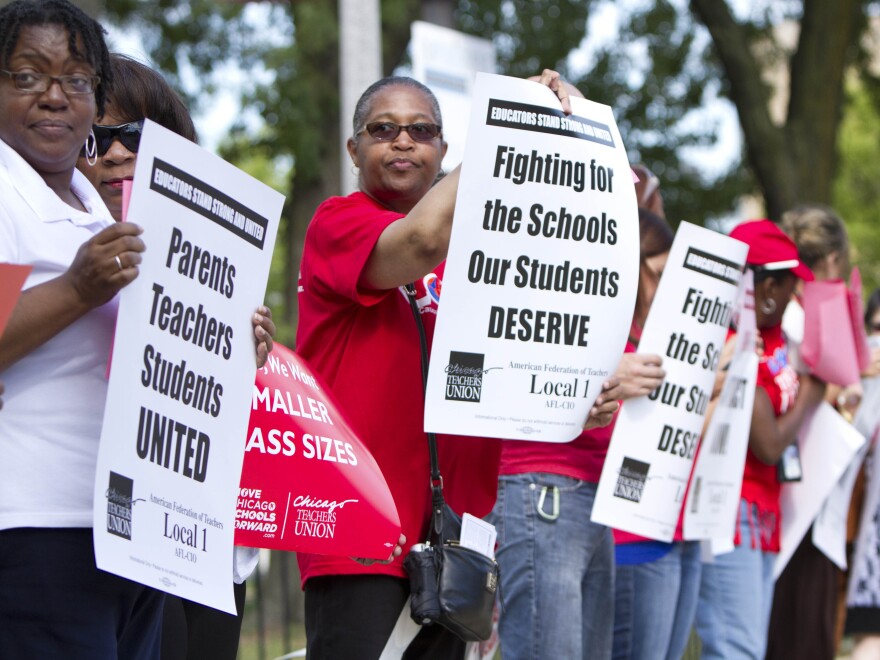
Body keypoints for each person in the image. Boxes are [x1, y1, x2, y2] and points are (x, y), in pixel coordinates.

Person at [295, 71, 621, 659]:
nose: (402, 142)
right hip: (358, 530)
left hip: (456, 545)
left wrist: (573, 405)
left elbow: (513, 371)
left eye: (421, 130)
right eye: (383, 129)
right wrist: (515, 128)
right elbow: (417, 242)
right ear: (354, 149)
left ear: (443, 150)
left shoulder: (481, 251)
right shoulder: (337, 222)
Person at [75, 52, 274, 660]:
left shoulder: (219, 257)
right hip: (83, 536)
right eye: (94, 138)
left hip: (200, 541)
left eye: (132, 136)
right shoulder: (42, 234)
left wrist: (248, 356)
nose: (112, 155)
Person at [0, 1, 156, 657]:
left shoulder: (90, 199)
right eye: (28, 77)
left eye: (76, 80)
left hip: (125, 522)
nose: (54, 97)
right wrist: (74, 289)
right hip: (36, 524)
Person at [694, 219, 826, 659]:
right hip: (729, 512)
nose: (796, 295)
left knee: (746, 647)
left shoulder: (775, 341)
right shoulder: (733, 343)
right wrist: (813, 393)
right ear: (767, 286)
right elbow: (768, 444)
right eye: (791, 284)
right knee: (736, 648)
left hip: (763, 514)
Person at [765, 204, 853, 660]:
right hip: (800, 501)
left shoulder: (787, 316)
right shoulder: (802, 321)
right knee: (799, 634)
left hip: (794, 499)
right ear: (835, 261)